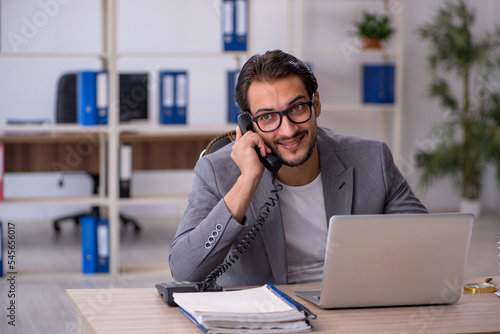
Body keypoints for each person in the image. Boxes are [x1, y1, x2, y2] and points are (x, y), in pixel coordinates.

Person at [168, 49, 428, 287]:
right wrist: (247, 181)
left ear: (315, 104)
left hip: (355, 308)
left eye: (297, 108)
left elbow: (426, 243)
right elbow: (184, 270)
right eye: (267, 117)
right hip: (267, 319)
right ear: (249, 124)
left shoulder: (372, 159)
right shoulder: (216, 171)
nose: (288, 129)